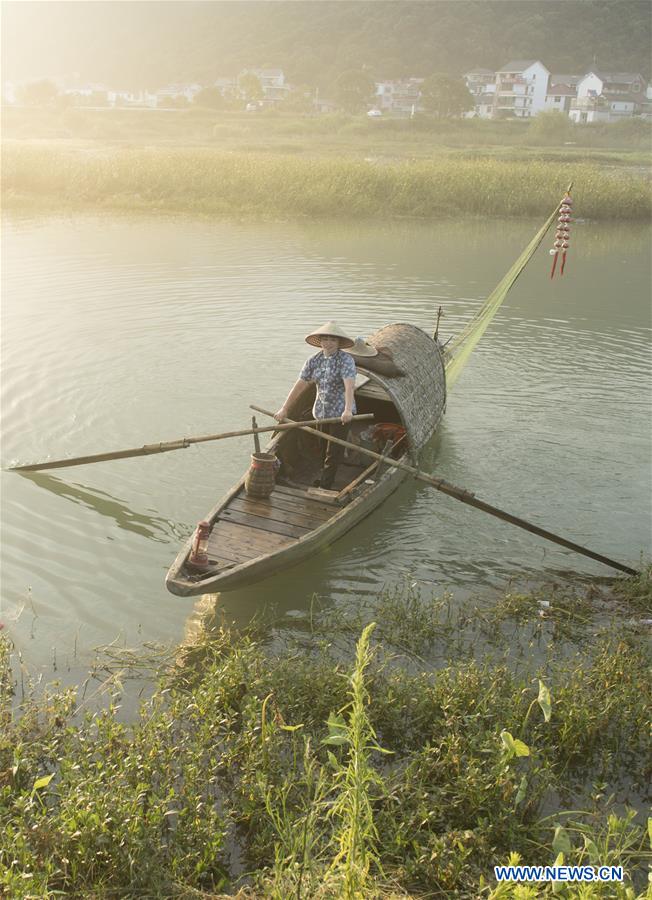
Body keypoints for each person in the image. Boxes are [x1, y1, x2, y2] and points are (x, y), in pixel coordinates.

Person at [275, 321, 356, 490]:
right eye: (325, 339)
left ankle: (325, 486)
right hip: (320, 412)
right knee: (321, 447)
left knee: (333, 452)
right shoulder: (313, 361)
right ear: (320, 341)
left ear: (339, 343)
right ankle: (324, 475)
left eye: (332, 340)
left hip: (340, 414)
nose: (328, 343)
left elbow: (349, 385)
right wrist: (284, 408)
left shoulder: (346, 360)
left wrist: (348, 409)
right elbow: (299, 385)